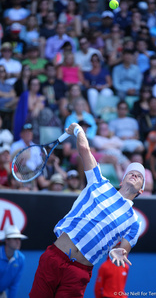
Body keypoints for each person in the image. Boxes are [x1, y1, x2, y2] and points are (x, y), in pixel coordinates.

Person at [29, 122, 145, 298]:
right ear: (122, 180)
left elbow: (124, 250)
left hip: (78, 273)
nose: (135, 174)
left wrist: (117, 251)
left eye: (140, 176)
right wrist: (77, 129)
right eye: (131, 172)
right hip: (54, 258)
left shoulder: (134, 222)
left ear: (141, 190)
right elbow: (83, 147)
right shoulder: (99, 182)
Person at [0, 225, 28, 298]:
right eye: (15, 238)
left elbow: (14, 285)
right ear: (6, 240)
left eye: (19, 238)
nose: (18, 241)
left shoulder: (21, 259)